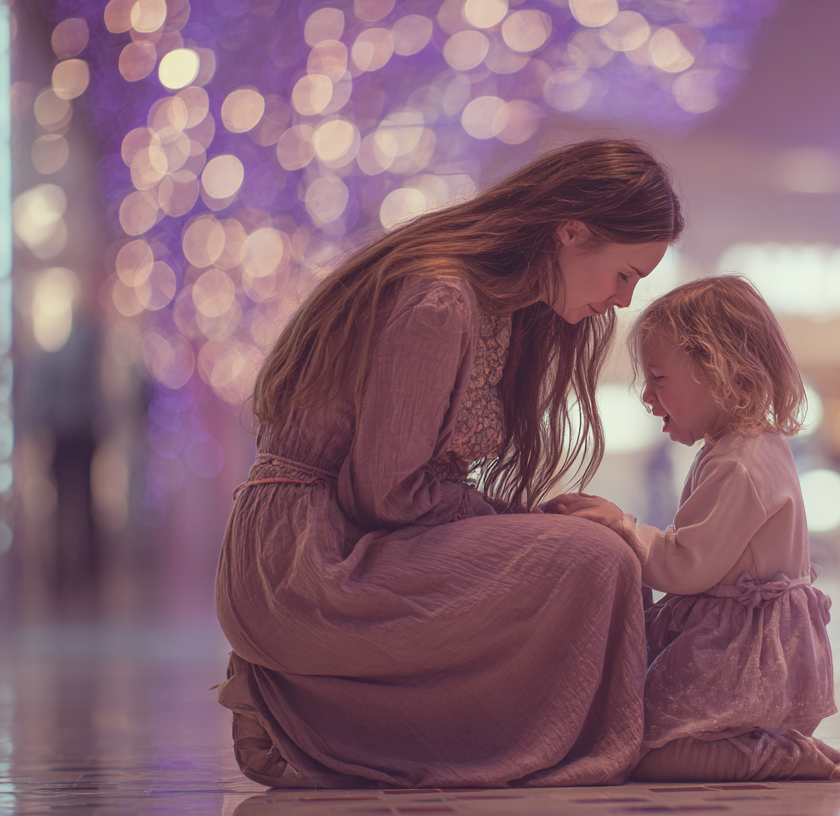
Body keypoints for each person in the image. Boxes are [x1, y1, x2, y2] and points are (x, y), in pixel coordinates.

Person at [214, 139, 683, 788]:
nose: (624, 300)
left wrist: (521, 524)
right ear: (571, 233)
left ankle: (329, 716)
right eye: (625, 274)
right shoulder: (442, 301)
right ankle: (298, 714)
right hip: (305, 562)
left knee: (598, 554)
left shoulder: (497, 306)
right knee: (595, 558)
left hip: (344, 538)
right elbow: (387, 494)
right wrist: (520, 523)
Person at [549, 276, 840, 782]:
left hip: (739, 653)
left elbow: (686, 565)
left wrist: (621, 524)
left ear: (727, 375)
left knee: (644, 753)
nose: (647, 396)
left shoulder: (739, 462)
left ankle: (778, 756)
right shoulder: (751, 447)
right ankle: (772, 743)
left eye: (660, 379)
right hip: (754, 646)